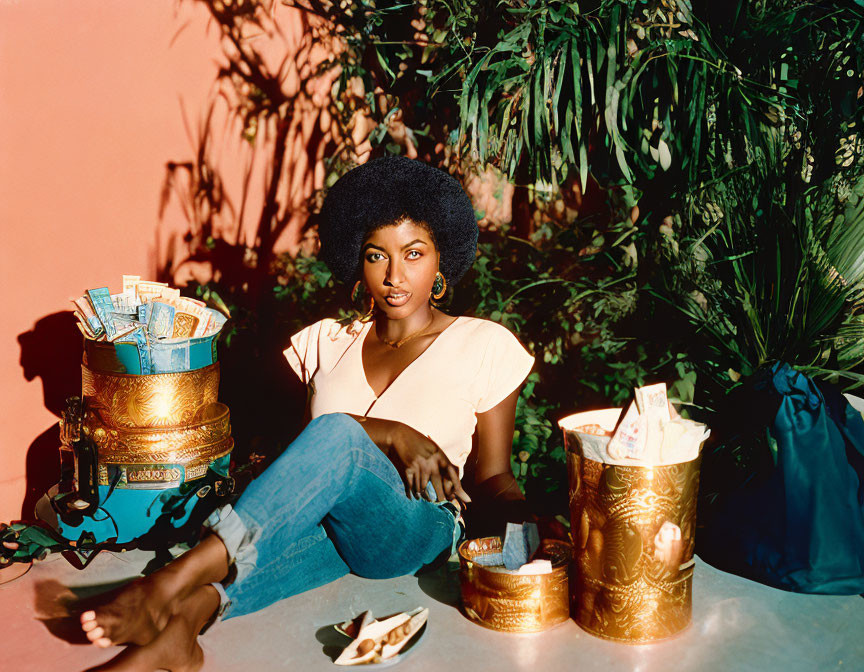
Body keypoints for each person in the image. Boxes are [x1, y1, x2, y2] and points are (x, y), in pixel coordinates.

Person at [76, 156, 535, 671]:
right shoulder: (326, 342)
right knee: (293, 514)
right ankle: (178, 632)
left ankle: (167, 582)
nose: (395, 275)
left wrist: (532, 535)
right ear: (357, 264)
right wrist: (393, 434)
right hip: (339, 528)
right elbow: (309, 468)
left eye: (414, 254)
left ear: (440, 260)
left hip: (417, 525)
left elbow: (494, 476)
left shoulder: (483, 344)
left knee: (338, 430)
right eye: (376, 256)